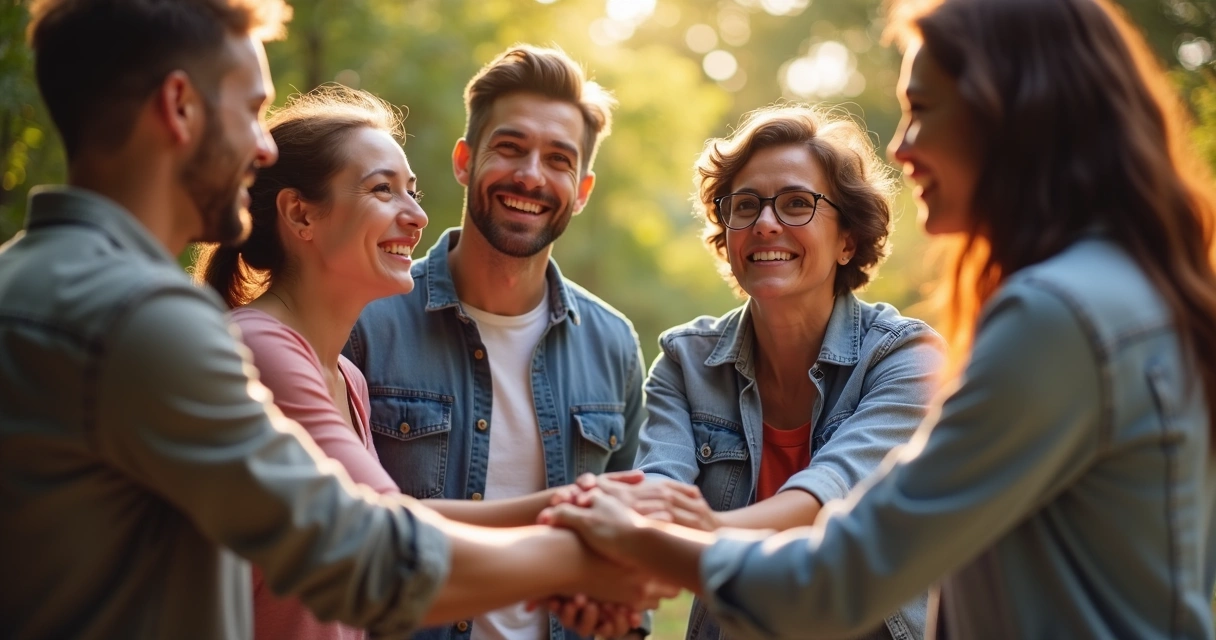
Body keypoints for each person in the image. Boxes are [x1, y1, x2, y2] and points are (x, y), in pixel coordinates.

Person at [541, 0, 1216, 637]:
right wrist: (631, 539)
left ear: (1010, 109)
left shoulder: (1051, 320)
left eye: (920, 109)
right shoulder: (1120, 293)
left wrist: (630, 543)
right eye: (744, 207)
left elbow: (839, 573)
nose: (902, 145)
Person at [0, 2, 665, 638]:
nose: (265, 148)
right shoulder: (142, 321)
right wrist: (600, 558)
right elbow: (358, 549)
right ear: (179, 107)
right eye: (254, 110)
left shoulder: (30, 283)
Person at [196, 84, 648, 640]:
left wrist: (574, 511)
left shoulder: (346, 378)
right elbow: (388, 537)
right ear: (301, 215)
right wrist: (580, 533)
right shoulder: (263, 350)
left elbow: (394, 518)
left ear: (582, 190)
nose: (416, 216)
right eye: (383, 190)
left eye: (412, 191)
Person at [606, 104, 942, 640]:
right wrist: (625, 530)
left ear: (847, 240)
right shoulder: (685, 362)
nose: (765, 224)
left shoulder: (906, 358)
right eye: (746, 206)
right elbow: (656, 492)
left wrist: (703, 533)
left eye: (795, 204)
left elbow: (828, 498)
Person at [344, 45, 647, 640]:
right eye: (510, 148)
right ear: (464, 160)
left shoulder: (613, 344)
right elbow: (332, 536)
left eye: (558, 159)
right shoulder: (364, 318)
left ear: (582, 189)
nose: (531, 175)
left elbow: (624, 561)